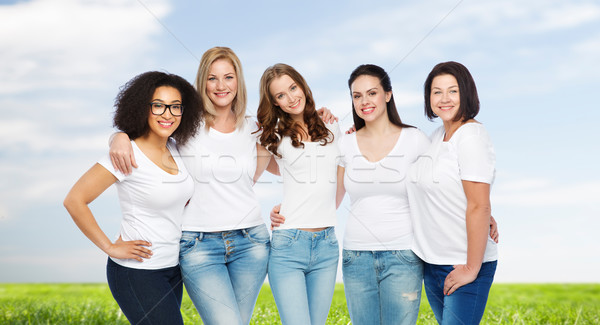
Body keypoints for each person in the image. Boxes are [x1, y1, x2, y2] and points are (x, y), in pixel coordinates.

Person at [107, 47, 335, 325]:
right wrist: (119, 136)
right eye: (212, 78)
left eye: (228, 77)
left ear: (238, 81)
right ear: (202, 81)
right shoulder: (185, 124)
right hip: (199, 245)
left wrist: (323, 118)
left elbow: (294, 161)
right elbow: (149, 132)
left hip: (251, 243)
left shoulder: (256, 129)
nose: (221, 85)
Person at [63, 71, 203, 324]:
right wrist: (109, 246)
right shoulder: (125, 154)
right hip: (137, 271)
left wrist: (117, 135)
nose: (167, 114)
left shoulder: (175, 148)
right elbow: (74, 200)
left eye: (175, 107)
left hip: (172, 268)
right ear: (142, 108)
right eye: (158, 106)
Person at [406, 61, 498, 324]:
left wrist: (471, 268)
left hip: (464, 264)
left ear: (466, 93)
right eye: (437, 92)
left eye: (453, 91)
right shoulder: (436, 137)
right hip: (432, 262)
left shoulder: (471, 136)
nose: (444, 99)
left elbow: (478, 205)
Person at [256, 63, 342, 325]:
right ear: (275, 103)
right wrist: (282, 207)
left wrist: (315, 206)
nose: (291, 98)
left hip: (327, 245)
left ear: (302, 85)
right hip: (289, 245)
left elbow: (337, 183)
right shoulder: (273, 138)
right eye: (281, 95)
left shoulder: (333, 128)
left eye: (293, 88)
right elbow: (252, 174)